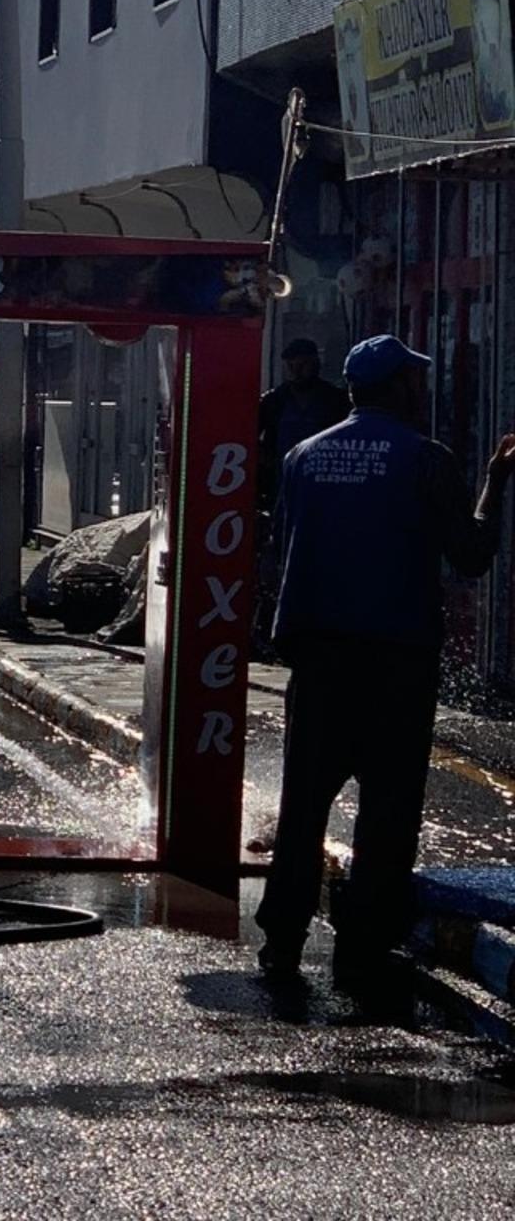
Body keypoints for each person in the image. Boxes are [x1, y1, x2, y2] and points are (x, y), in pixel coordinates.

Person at [256, 334, 515, 984]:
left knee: (304, 806)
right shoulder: (427, 460)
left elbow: (282, 554)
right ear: (396, 387)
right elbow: (473, 553)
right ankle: (364, 944)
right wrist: (495, 479)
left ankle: (282, 937)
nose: (421, 390)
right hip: (397, 662)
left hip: (317, 659)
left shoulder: (301, 458)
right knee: (388, 811)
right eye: (415, 380)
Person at [257, 338, 350, 508]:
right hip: (281, 483)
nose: (296, 372)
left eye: (302, 366)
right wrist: (266, 460)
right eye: (291, 367)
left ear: (316, 363)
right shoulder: (273, 401)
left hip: (324, 483)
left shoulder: (336, 400)